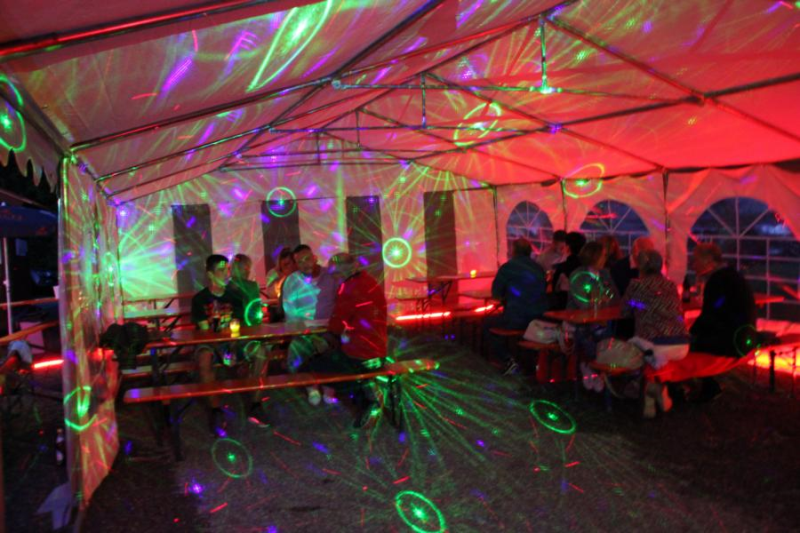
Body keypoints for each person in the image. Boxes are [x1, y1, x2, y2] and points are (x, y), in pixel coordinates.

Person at [307, 253, 387, 428]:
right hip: (379, 350)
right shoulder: (370, 282)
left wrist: (320, 337)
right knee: (332, 356)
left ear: (343, 272)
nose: (334, 279)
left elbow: (336, 326)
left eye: (335, 274)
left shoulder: (347, 289)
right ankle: (366, 394)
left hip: (359, 354)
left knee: (316, 364)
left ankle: (368, 397)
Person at [191, 255, 264, 434]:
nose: (227, 274)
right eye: (221, 270)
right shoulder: (200, 299)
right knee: (205, 357)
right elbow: (206, 333)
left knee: (260, 351)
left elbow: (236, 327)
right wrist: (224, 353)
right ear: (210, 274)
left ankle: (256, 405)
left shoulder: (235, 296)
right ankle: (215, 410)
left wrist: (231, 350)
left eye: (228, 270)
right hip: (210, 343)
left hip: (232, 342)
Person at [620, 249, 690, 418]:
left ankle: (651, 388)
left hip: (656, 345)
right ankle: (649, 400)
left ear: (640, 266)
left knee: (630, 346)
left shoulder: (636, 284)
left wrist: (637, 307)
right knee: (648, 351)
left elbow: (624, 311)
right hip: (682, 345)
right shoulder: (670, 285)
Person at [689, 243, 757, 401]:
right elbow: (717, 311)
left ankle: (704, 386)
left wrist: (689, 333)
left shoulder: (717, 281)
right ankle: (707, 385)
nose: (693, 265)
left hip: (732, 342)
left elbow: (710, 315)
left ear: (708, 260)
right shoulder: (732, 275)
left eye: (695, 260)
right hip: (745, 337)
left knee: (687, 346)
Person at [281, 244, 341, 405]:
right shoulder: (292, 281)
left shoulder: (330, 276)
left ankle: (329, 387)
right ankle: (311, 387)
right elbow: (290, 313)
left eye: (307, 259)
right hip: (303, 329)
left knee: (333, 346)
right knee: (296, 350)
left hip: (329, 327)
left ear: (314, 258)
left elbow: (340, 302)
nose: (304, 264)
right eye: (299, 262)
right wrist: (309, 335)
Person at [483, 238, 547, 375]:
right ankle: (526, 360)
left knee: (487, 323)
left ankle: (507, 360)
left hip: (517, 318)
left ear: (513, 251)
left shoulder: (508, 268)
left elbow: (496, 294)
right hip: (539, 318)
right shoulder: (539, 268)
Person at [224, 254, 270, 425]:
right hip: (232, 341)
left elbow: (254, 317)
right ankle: (255, 404)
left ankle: (255, 404)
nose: (245, 271)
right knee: (261, 352)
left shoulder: (227, 287)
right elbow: (254, 317)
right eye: (244, 267)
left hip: (238, 340)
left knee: (262, 352)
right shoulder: (245, 287)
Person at [567, 241, 619, 391]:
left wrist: (598, 301)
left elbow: (615, 299)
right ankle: (591, 366)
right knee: (592, 333)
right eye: (603, 255)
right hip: (579, 322)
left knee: (606, 334)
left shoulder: (605, 274)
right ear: (593, 256)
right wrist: (602, 301)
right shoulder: (578, 276)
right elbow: (583, 304)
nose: (605, 259)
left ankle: (595, 367)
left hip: (600, 321)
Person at [611, 237, 656, 338]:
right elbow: (623, 292)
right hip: (626, 320)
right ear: (634, 252)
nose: (647, 258)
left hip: (645, 318)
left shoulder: (650, 267)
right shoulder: (619, 267)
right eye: (645, 254)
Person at [549, 232, 587, 310]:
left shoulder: (562, 268)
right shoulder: (587, 266)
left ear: (567, 247)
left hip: (565, 309)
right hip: (585, 307)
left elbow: (554, 289)